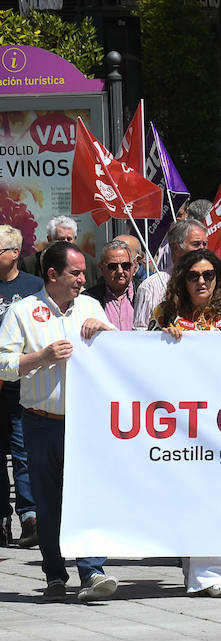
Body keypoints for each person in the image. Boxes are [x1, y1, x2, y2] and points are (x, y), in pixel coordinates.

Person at [0, 242, 117, 601]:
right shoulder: (22, 312)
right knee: (48, 502)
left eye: (84, 272)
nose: (84, 279)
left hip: (86, 422)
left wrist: (107, 330)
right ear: (53, 275)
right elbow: (4, 364)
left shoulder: (90, 306)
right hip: (41, 422)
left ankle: (92, 571)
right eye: (76, 273)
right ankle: (54, 574)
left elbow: (119, 355)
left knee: (88, 495)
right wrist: (41, 357)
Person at [149, 250, 221, 597]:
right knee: (191, 495)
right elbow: (140, 358)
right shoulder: (166, 313)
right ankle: (198, 568)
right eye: (193, 275)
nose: (201, 281)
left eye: (208, 275)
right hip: (180, 420)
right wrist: (161, 339)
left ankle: (212, 574)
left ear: (218, 278)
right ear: (182, 279)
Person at [0, 225, 42, 548]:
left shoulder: (34, 287)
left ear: (15, 253)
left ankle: (30, 516)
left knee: (23, 451)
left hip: (20, 384)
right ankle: (2, 518)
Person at [133, 219, 209, 330]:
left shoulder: (213, 281)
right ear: (176, 248)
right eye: (196, 244)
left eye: (205, 244)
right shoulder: (151, 287)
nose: (203, 249)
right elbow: (140, 336)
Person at [20, 215, 97, 286]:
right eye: (61, 239)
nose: (65, 243)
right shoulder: (30, 264)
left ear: (75, 240)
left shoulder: (90, 263)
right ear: (49, 239)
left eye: (69, 239)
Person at [86, 239, 139, 331]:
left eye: (125, 265)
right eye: (113, 266)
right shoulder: (88, 299)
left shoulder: (145, 292)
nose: (120, 271)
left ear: (133, 266)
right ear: (101, 267)